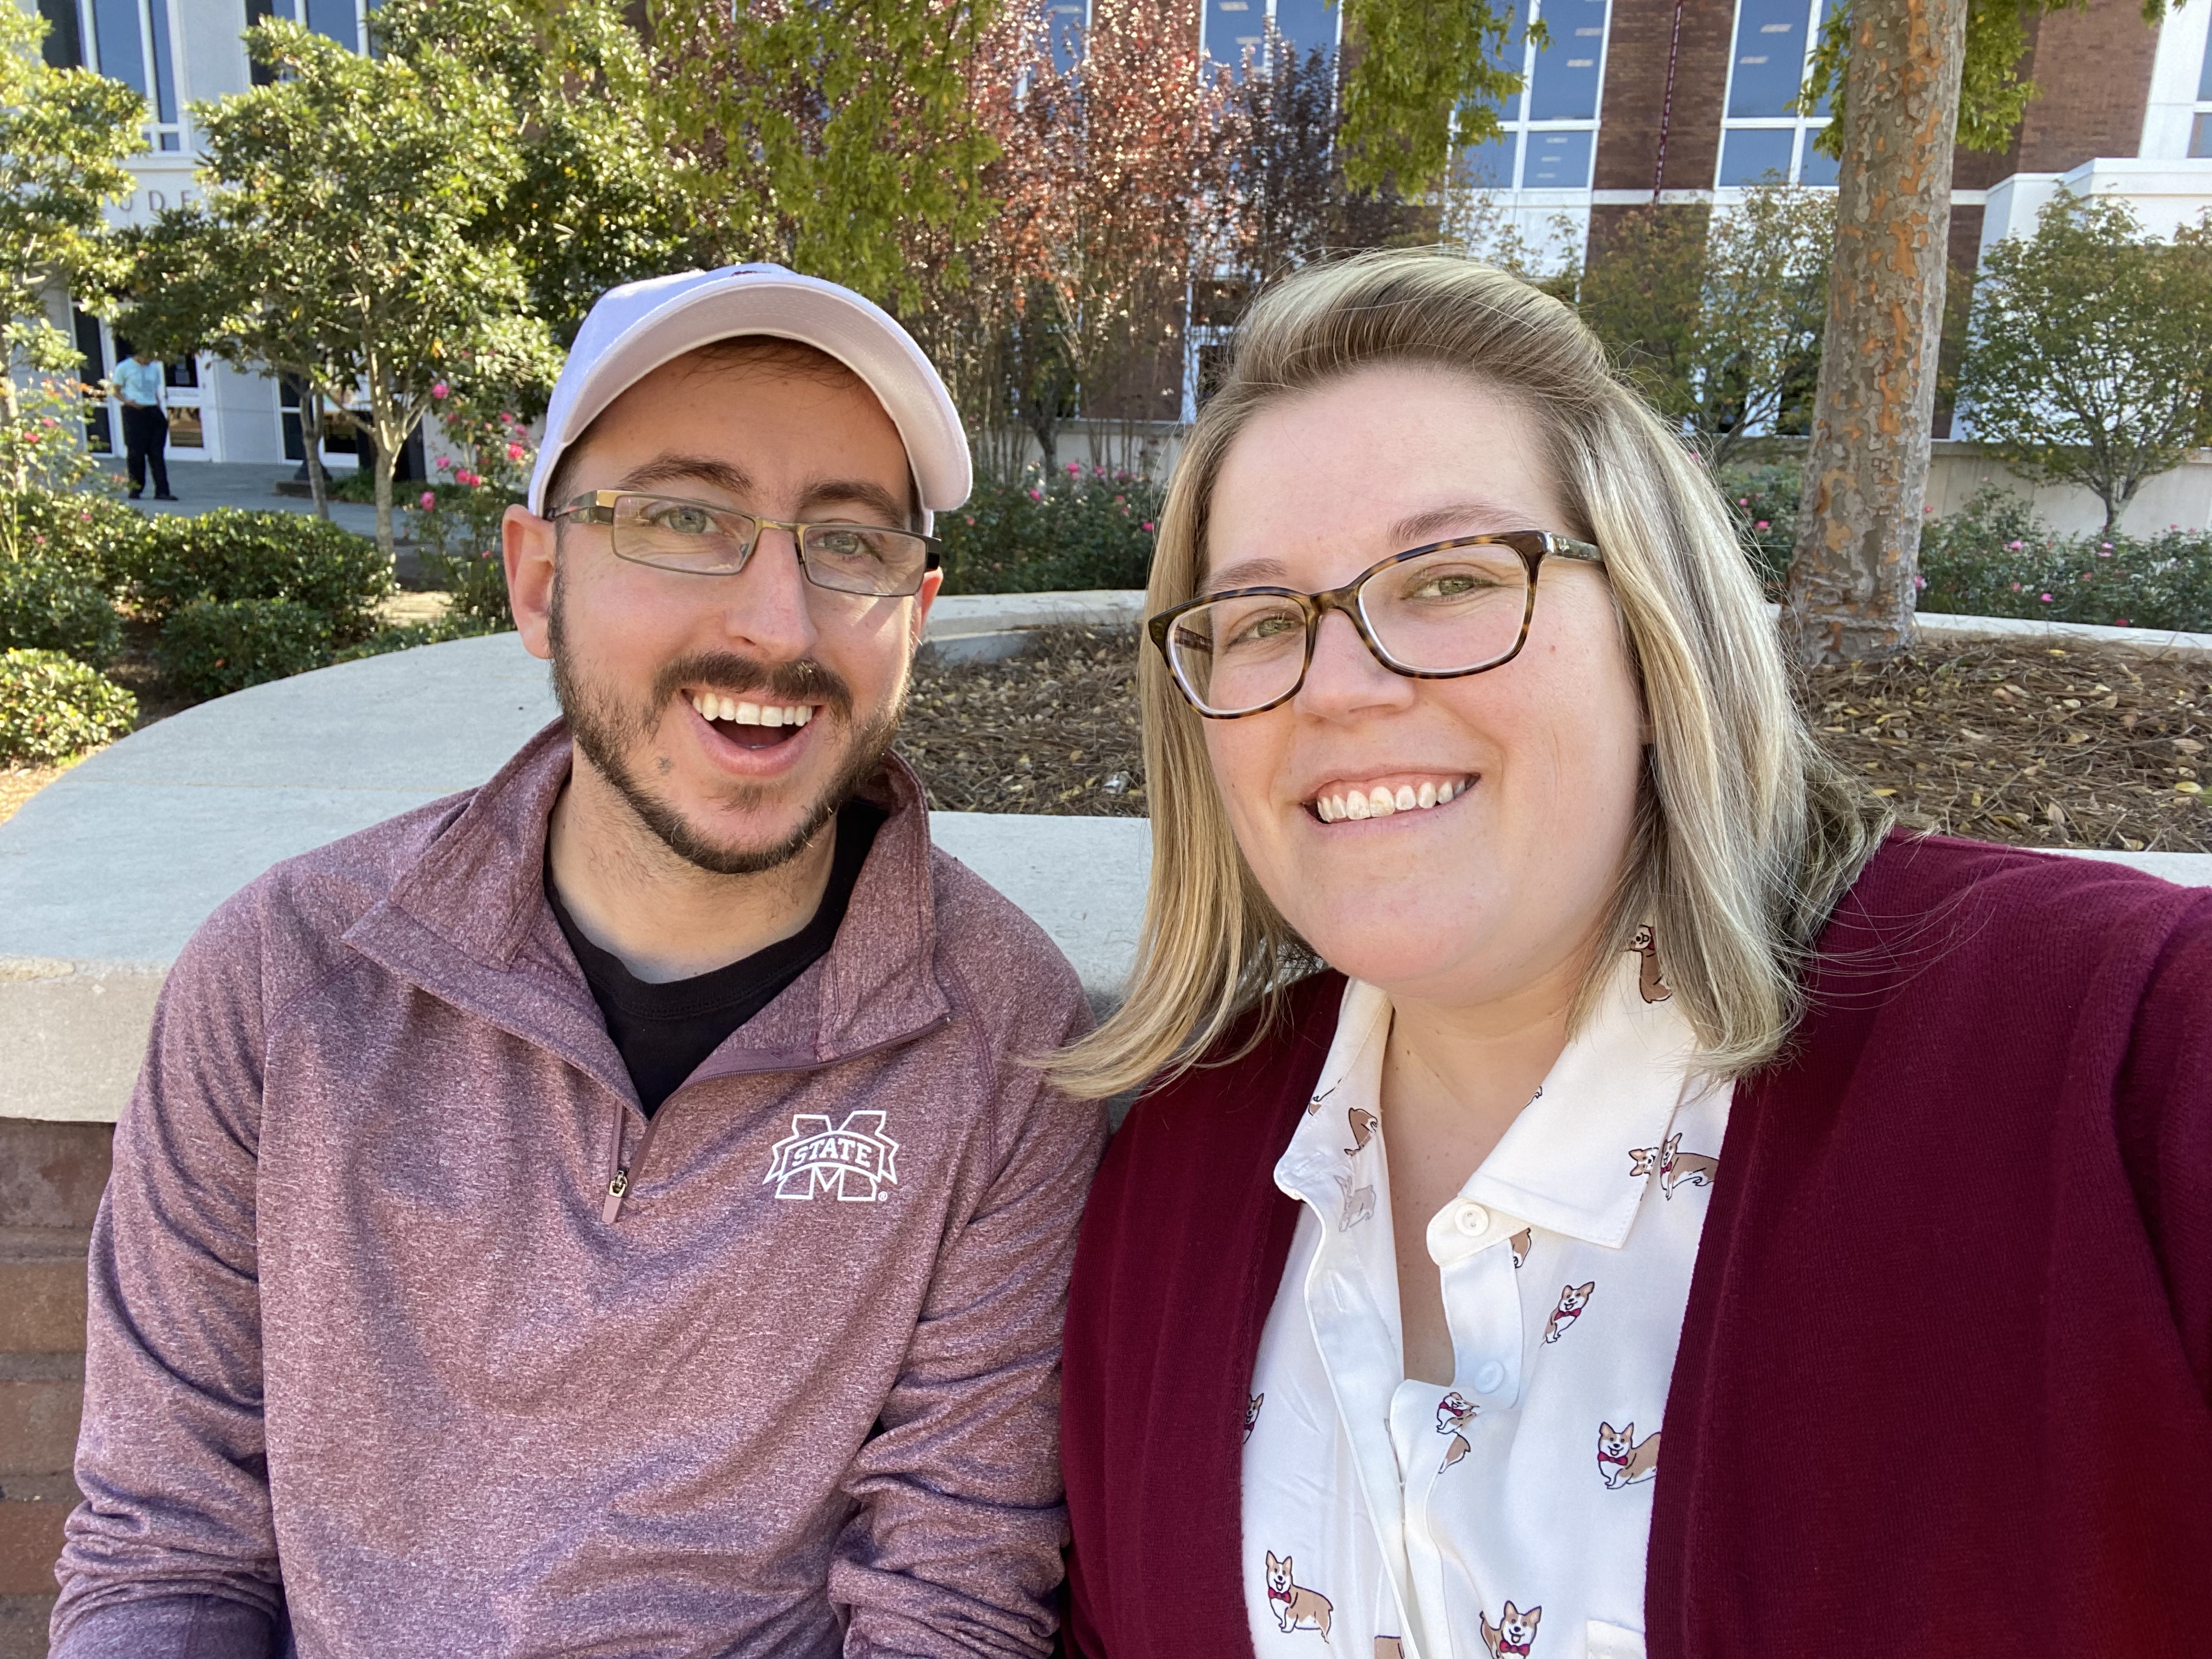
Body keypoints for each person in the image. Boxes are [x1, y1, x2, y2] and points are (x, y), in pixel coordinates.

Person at [1055, 251, 2212, 1659]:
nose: (1343, 687)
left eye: (1451, 578)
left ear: (1653, 642)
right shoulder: (1171, 1174)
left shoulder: (2115, 1052)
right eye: (1257, 622)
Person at [53, 264, 1106, 1657]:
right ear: (538, 579)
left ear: (914, 613)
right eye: (685, 520)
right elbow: (165, 1553)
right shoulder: (285, 980)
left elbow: (948, 1599)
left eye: (846, 544)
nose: (777, 626)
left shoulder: (998, 1037)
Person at [113, 346, 177, 501]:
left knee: (157, 454)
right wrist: (128, 402)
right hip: (134, 411)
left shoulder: (154, 369)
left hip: (152, 409)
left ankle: (162, 491)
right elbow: (116, 391)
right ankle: (135, 489)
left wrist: (159, 409)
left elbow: (154, 391)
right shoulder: (124, 367)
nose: (151, 360)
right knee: (136, 453)